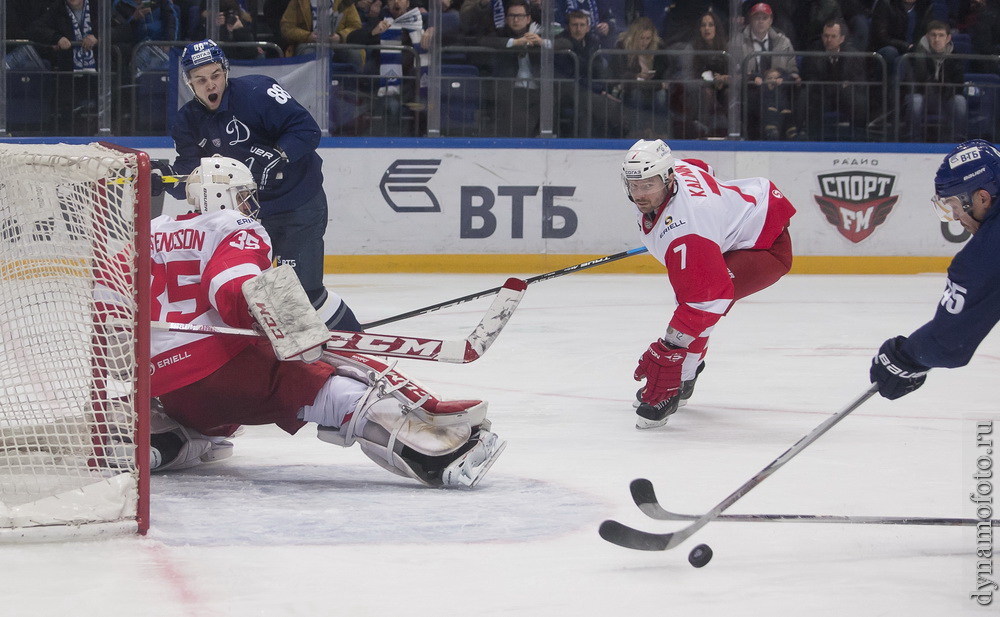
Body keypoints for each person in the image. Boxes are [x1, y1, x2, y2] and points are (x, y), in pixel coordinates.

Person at [140, 156, 506, 486]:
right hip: (227, 370)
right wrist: (289, 325)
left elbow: (111, 309)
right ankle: (439, 455)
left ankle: (169, 441)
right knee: (335, 385)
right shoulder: (231, 225)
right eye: (243, 195)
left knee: (209, 427)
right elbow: (232, 287)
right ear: (222, 196)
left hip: (168, 388)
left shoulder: (148, 232)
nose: (248, 205)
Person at [156, 39, 363, 332]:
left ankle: (356, 340)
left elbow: (307, 130)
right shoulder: (187, 120)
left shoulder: (258, 92)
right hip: (245, 221)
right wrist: (164, 178)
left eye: (215, 75)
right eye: (201, 80)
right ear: (189, 83)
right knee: (253, 299)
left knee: (304, 294)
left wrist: (279, 156)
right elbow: (190, 178)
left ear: (225, 71)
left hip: (296, 204)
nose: (211, 85)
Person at [621, 139, 795, 428]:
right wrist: (715, 220)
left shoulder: (687, 231)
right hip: (736, 225)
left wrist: (669, 348)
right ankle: (686, 376)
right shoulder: (680, 169)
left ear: (668, 178)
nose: (640, 194)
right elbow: (704, 168)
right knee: (694, 298)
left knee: (698, 304)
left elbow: (707, 299)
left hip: (763, 247)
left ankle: (679, 383)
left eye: (648, 185)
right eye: (634, 184)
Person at [870, 139, 1000, 400]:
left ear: (983, 197)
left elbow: (950, 343)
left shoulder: (985, 254)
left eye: (954, 206)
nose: (954, 217)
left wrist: (905, 357)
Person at [478, 0, 572, 137]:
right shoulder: (501, 33)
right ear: (506, 18)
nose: (516, 20)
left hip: (538, 90)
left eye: (520, 16)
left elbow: (566, 42)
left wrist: (541, 42)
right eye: (512, 16)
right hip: (512, 91)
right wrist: (514, 42)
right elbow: (483, 40)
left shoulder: (538, 33)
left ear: (528, 19)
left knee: (549, 104)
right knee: (520, 118)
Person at [734, 2, 801, 140]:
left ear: (770, 20)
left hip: (779, 87)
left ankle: (774, 129)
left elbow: (792, 69)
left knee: (782, 94)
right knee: (766, 96)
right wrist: (752, 78)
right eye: (757, 18)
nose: (760, 22)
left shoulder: (783, 42)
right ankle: (785, 127)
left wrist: (783, 78)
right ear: (750, 20)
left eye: (764, 18)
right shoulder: (737, 42)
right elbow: (734, 71)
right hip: (751, 89)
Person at [799, 18, 871, 140]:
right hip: (822, 94)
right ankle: (812, 138)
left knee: (859, 100)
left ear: (842, 38)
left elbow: (859, 79)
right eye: (826, 36)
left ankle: (859, 137)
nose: (829, 40)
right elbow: (810, 77)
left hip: (845, 95)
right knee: (809, 97)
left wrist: (848, 84)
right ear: (822, 37)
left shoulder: (853, 55)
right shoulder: (813, 54)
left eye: (833, 36)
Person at [901, 20, 967, 142]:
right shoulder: (914, 54)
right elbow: (910, 83)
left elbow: (958, 85)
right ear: (927, 37)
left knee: (960, 101)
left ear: (948, 38)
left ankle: (956, 142)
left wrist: (945, 87)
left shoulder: (955, 56)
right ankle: (913, 141)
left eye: (941, 35)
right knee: (915, 100)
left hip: (944, 98)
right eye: (933, 35)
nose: (937, 39)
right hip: (923, 96)